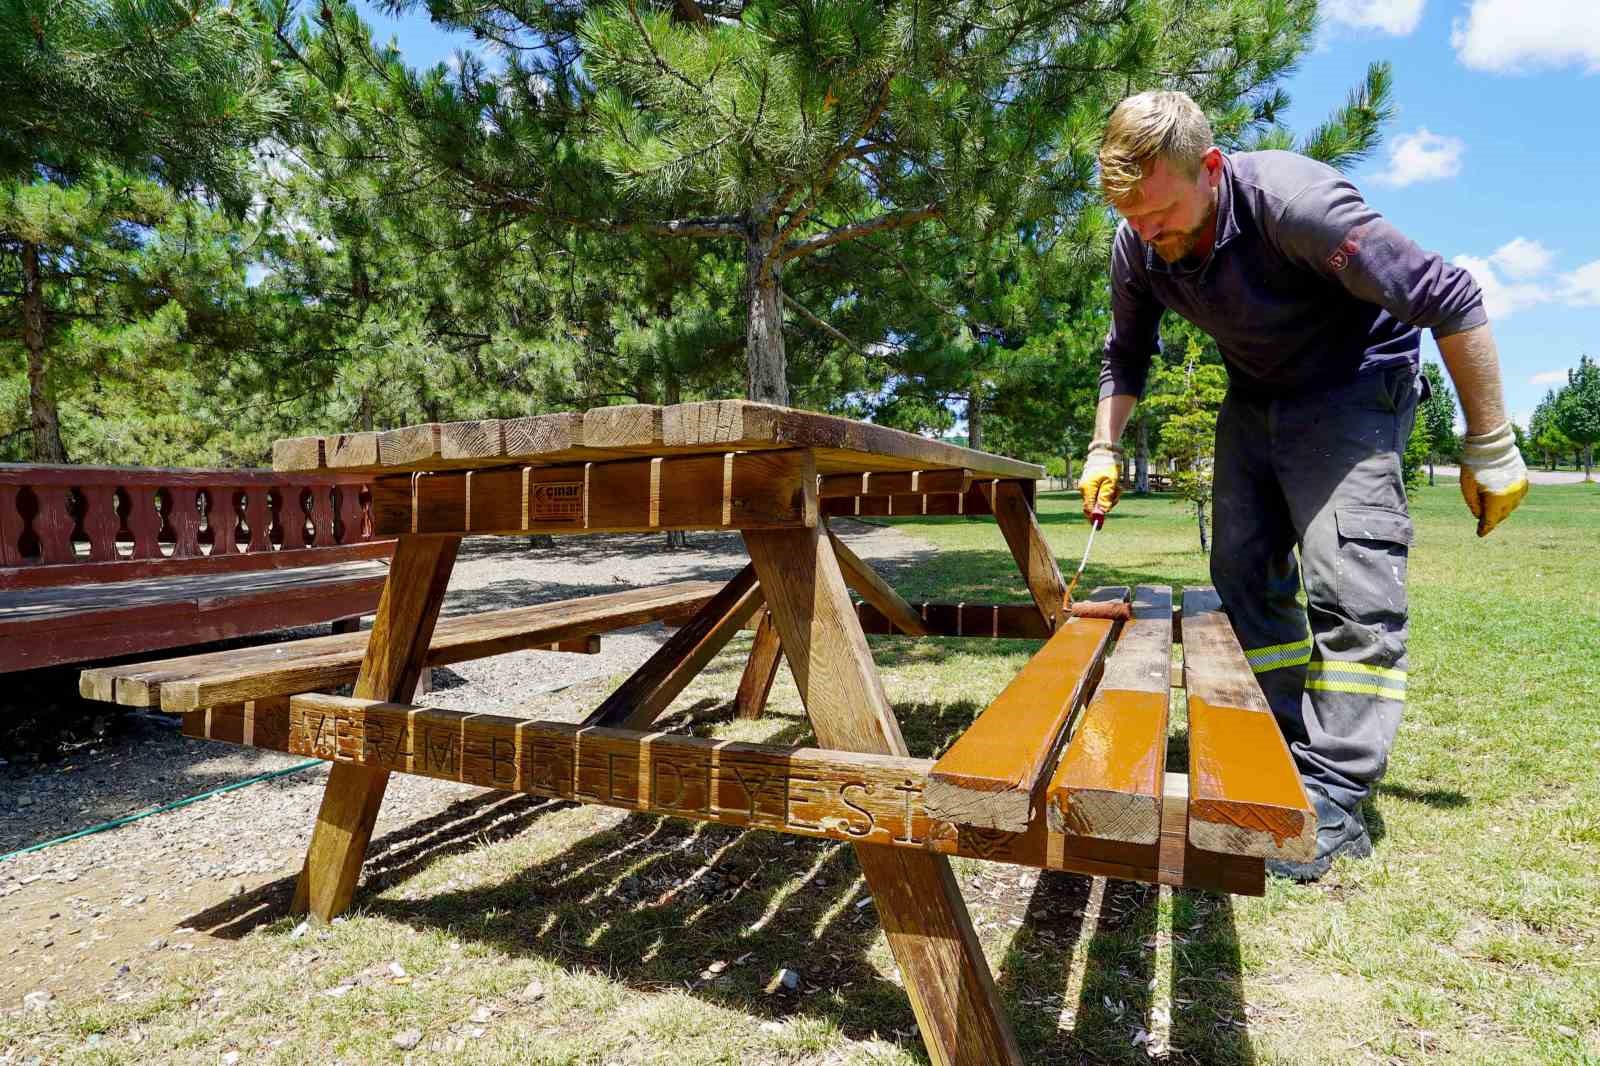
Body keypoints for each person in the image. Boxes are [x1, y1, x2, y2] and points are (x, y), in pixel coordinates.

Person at [1076, 90, 1528, 881]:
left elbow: (1451, 297)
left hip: (1355, 386)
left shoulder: (1296, 203)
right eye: (1133, 220)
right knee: (1243, 575)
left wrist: (1489, 444)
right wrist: (1101, 448)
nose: (1149, 236)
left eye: (1161, 214)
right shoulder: (1138, 244)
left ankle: (1336, 797)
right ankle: (1283, 747)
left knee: (1350, 587)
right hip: (1255, 397)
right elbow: (1127, 352)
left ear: (1209, 169)